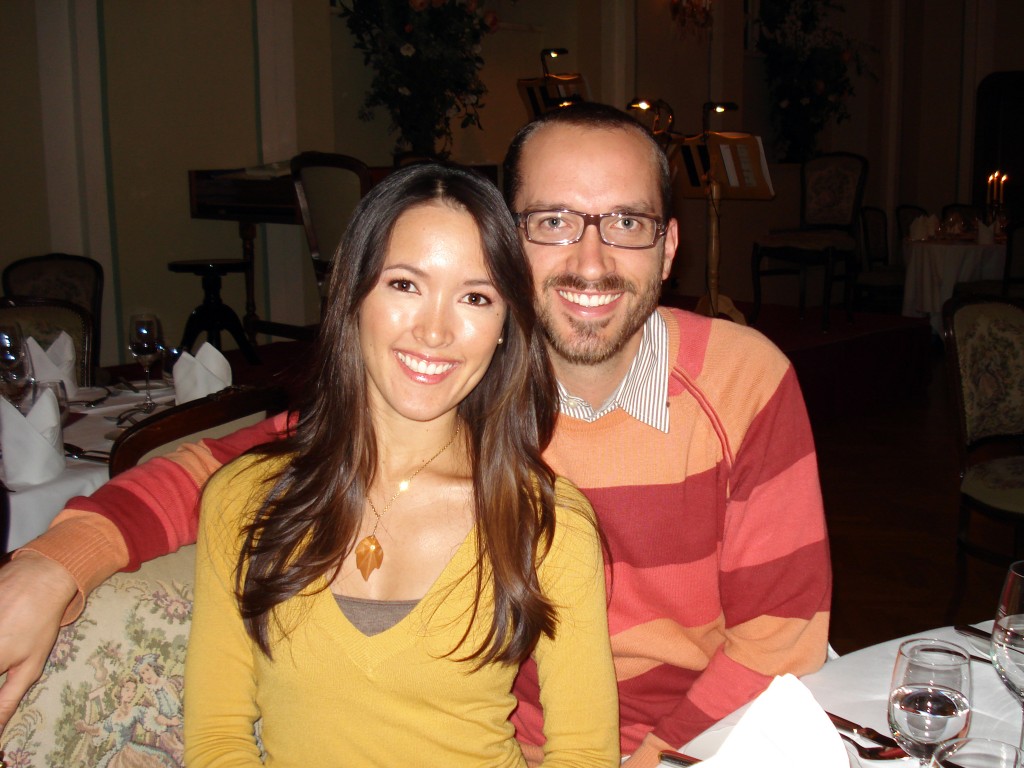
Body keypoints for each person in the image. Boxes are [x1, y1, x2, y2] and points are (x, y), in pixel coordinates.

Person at [0, 103, 830, 768]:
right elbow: (230, 473)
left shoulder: (742, 382)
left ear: (669, 245)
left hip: (706, 743)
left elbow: (780, 642)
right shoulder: (444, 387)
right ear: (507, 242)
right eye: (552, 221)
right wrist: (53, 563)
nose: (590, 259)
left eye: (626, 221)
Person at [186, 163, 617, 765]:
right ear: (353, 294)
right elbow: (217, 738)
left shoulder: (547, 521)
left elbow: (585, 754)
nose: (435, 331)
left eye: (475, 297)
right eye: (405, 285)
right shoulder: (245, 498)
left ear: (504, 327)